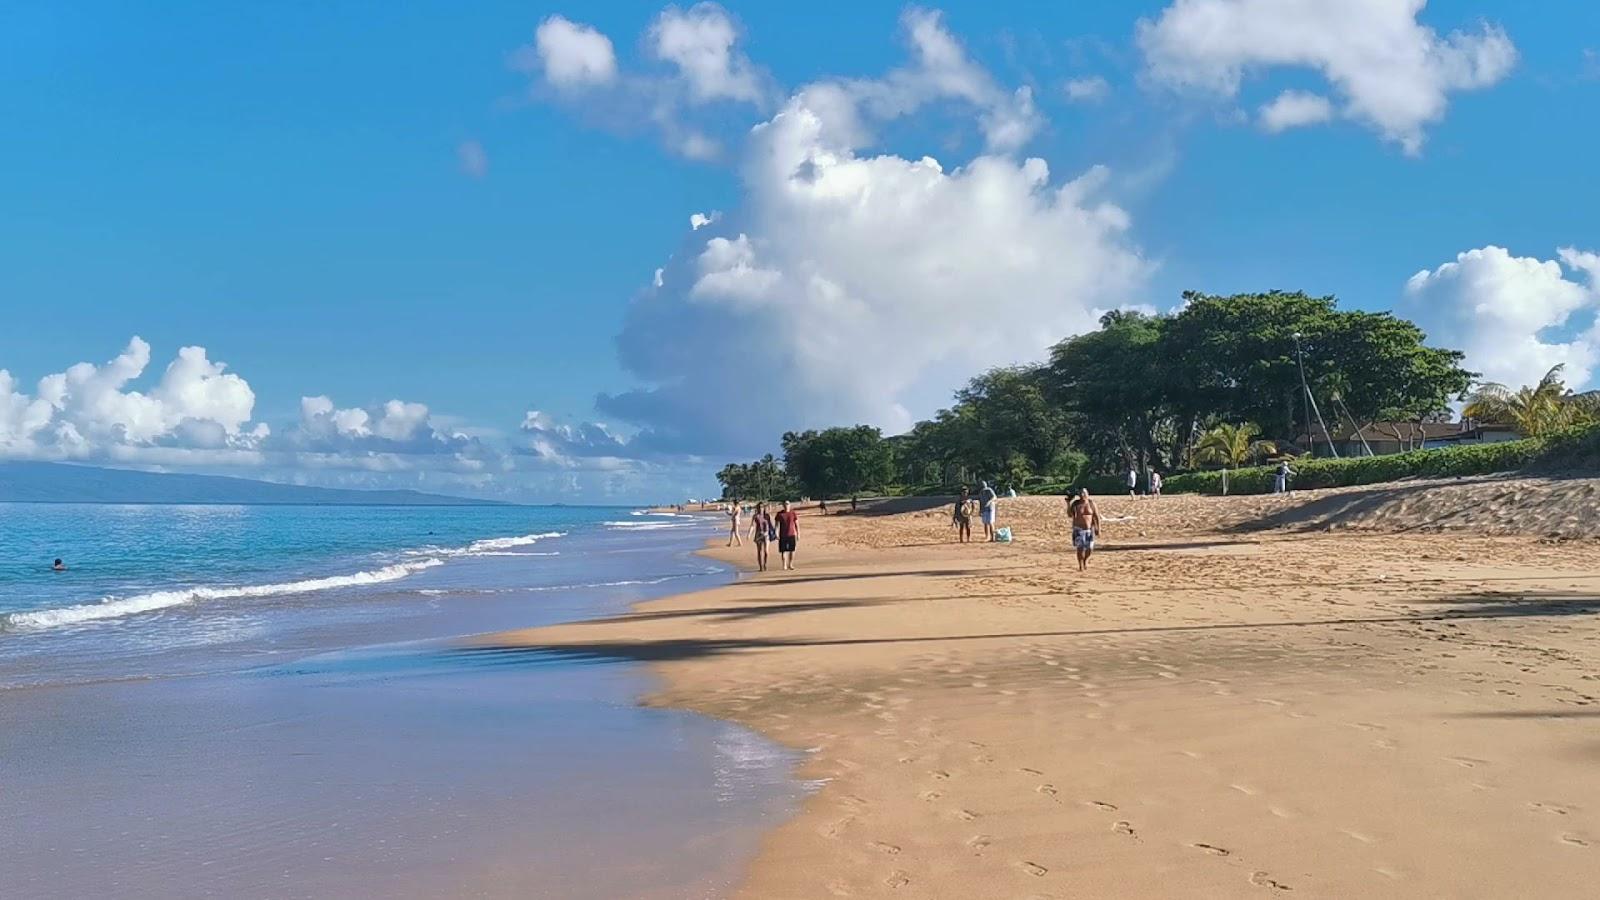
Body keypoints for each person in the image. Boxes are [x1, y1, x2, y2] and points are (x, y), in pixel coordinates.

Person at [1067, 488, 1100, 572]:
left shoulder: (1091, 504)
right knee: (1080, 548)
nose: (1082, 495)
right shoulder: (1076, 504)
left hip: (1089, 529)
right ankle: (1080, 564)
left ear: (1087, 494)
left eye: (1084, 493)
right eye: (1081, 494)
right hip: (1078, 529)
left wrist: (1098, 528)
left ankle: (1085, 560)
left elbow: (1096, 517)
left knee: (1089, 549)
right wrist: (1068, 504)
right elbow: (1070, 515)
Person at [774, 500, 800, 570]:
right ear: (783, 505)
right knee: (783, 551)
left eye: (787, 504)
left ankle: (790, 564)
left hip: (791, 534)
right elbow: (776, 525)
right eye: (785, 504)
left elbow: (797, 524)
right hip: (783, 535)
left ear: (790, 505)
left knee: (792, 550)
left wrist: (798, 534)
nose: (786, 505)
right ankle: (784, 564)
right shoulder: (780, 514)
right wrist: (776, 533)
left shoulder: (793, 513)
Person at [748, 503, 774, 571]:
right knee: (759, 551)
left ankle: (765, 564)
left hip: (766, 535)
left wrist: (774, 534)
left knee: (766, 551)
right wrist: (749, 534)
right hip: (758, 534)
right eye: (759, 507)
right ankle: (760, 566)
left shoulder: (767, 516)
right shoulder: (755, 516)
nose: (760, 509)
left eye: (762, 507)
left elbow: (771, 525)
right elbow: (752, 525)